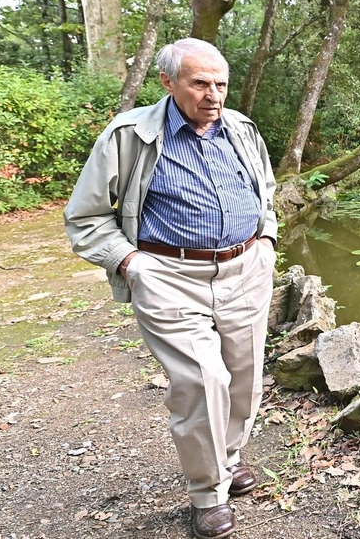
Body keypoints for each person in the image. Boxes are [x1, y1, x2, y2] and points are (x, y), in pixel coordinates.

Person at [64, 38, 278, 539]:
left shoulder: (242, 129)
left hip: (245, 269)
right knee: (203, 380)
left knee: (243, 379)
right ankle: (208, 494)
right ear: (168, 82)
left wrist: (266, 238)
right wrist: (131, 263)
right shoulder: (129, 135)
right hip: (169, 276)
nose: (213, 95)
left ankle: (226, 458)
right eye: (200, 83)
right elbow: (86, 216)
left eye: (220, 84)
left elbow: (264, 189)